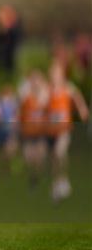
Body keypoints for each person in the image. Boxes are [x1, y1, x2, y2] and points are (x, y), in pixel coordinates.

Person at [45, 62, 89, 202]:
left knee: (60, 152)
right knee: (54, 158)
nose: (54, 75)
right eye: (52, 73)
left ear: (61, 74)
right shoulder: (48, 89)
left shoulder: (67, 87)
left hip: (64, 129)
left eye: (56, 73)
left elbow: (77, 97)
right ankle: (56, 184)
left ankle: (63, 180)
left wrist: (82, 109)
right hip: (51, 130)